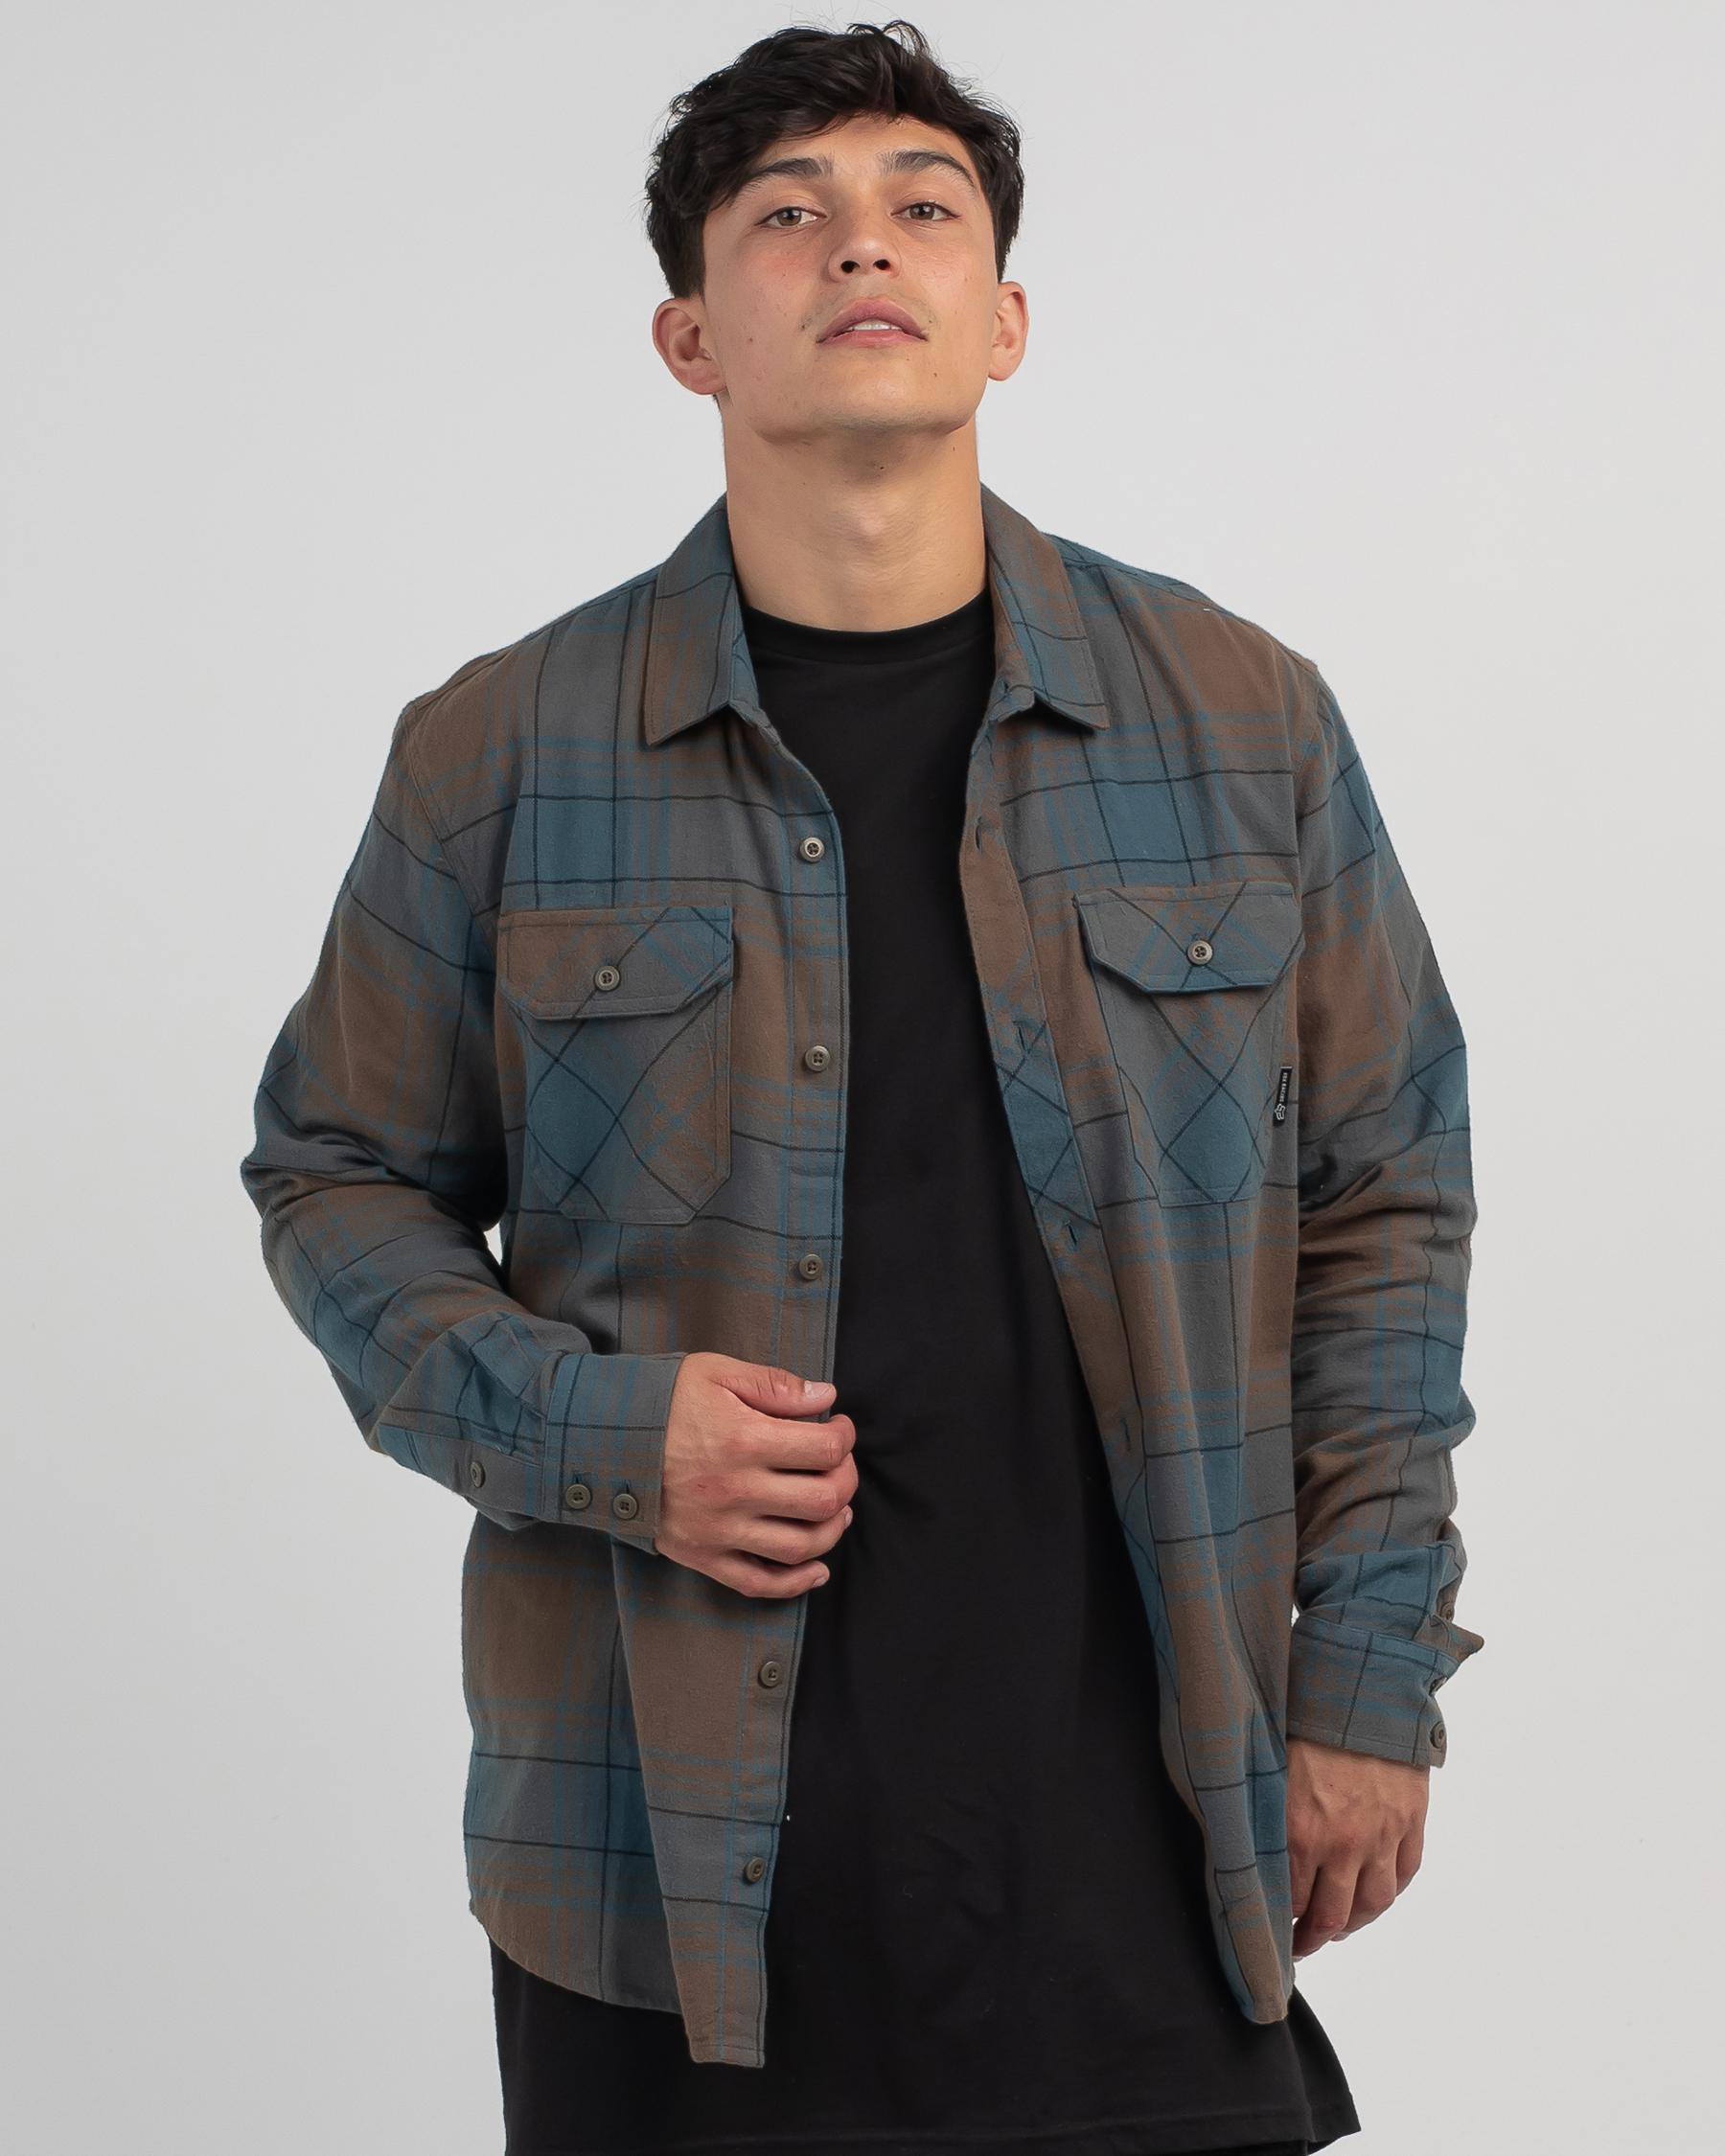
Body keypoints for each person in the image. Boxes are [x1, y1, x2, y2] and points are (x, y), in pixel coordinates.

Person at [240, 19, 1484, 2153]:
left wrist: (1368, 1675)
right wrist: (598, 1434)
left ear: (1006, 317)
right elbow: (335, 1171)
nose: (860, 245)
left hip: (1146, 1806)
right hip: (665, 1839)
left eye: (923, 204)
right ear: (687, 337)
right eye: (786, 216)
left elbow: (1388, 1198)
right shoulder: (498, 751)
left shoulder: (1242, 719)